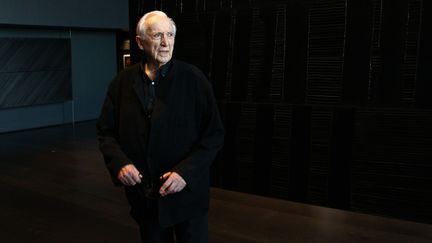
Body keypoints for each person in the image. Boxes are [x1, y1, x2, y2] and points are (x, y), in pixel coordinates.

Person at [96, 10, 224, 243]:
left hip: (187, 194)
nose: (165, 43)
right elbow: (106, 132)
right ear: (140, 41)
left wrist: (185, 173)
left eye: (170, 35)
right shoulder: (121, 82)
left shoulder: (194, 79)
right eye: (157, 36)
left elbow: (214, 135)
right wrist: (120, 163)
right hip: (145, 197)